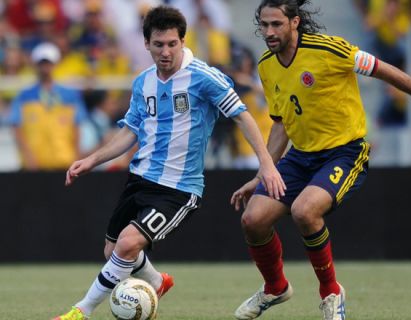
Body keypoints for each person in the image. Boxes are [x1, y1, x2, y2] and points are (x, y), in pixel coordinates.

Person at [230, 1, 411, 320]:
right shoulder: (266, 65)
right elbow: (281, 122)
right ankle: (275, 287)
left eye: (276, 24)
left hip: (344, 151)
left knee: (304, 211)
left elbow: (385, 70)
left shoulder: (330, 50)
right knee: (253, 220)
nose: (269, 32)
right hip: (301, 156)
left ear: (294, 22)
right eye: (264, 25)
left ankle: (331, 293)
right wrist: (263, 173)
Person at [53, 5, 285, 320]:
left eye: (172, 44)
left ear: (183, 42)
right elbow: (130, 132)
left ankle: (81, 310)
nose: (166, 52)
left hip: (179, 188)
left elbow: (242, 116)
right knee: (113, 253)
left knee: (127, 244)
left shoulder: (203, 77)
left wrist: (267, 165)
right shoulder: (143, 82)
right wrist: (91, 159)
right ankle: (155, 281)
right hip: (139, 179)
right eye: (159, 44)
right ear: (146, 44)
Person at [9, 42, 88, 170]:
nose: (45, 67)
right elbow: (16, 127)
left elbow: (77, 128)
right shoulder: (24, 95)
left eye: (48, 62)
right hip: (34, 164)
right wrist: (28, 155)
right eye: (42, 63)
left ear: (55, 64)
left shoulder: (70, 95)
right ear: (35, 65)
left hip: (64, 161)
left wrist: (77, 156)